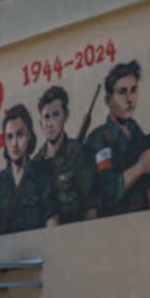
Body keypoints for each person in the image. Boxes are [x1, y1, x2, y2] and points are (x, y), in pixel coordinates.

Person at [84, 60, 150, 216]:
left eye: (133, 90)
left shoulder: (135, 130)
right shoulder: (99, 139)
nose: (130, 99)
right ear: (108, 100)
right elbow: (110, 188)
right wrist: (141, 166)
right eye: (122, 92)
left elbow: (146, 183)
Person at [0, 103, 57, 236]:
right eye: (9, 137)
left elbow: (52, 220)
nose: (14, 143)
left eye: (19, 135)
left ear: (29, 135)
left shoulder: (42, 176)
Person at [34, 85, 96, 224]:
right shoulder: (36, 164)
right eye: (46, 117)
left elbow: (91, 209)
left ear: (65, 116)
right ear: (41, 123)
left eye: (55, 114)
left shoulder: (80, 153)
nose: (50, 123)